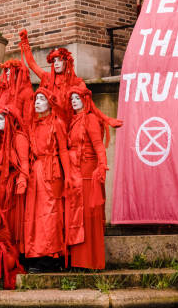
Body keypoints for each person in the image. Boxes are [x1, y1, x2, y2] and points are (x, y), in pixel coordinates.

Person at [64, 86, 121, 270]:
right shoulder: (73, 121)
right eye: (71, 98)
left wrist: (102, 168)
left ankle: (90, 261)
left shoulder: (89, 119)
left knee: (88, 217)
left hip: (88, 176)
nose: (73, 100)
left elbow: (98, 147)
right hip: (76, 176)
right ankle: (78, 261)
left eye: (77, 98)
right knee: (77, 217)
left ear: (85, 100)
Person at [24, 87, 71, 269]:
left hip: (52, 172)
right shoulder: (33, 125)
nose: (37, 103)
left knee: (50, 214)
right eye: (36, 100)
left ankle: (51, 256)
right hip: (37, 172)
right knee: (36, 215)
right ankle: (37, 253)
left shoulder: (57, 123)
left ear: (50, 104)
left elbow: (63, 151)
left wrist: (68, 177)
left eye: (41, 99)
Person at [18, 29, 86, 123]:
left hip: (69, 123)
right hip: (51, 124)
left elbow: (85, 105)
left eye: (59, 60)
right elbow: (32, 64)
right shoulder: (47, 78)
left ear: (66, 62)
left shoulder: (77, 82)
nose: (56, 63)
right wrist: (25, 42)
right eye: (54, 61)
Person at [0, 105, 29, 253]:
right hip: (1, 185)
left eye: (0, 119)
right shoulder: (2, 139)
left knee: (12, 219)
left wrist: (23, 179)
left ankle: (16, 251)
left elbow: (24, 162)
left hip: (13, 186)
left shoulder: (19, 138)